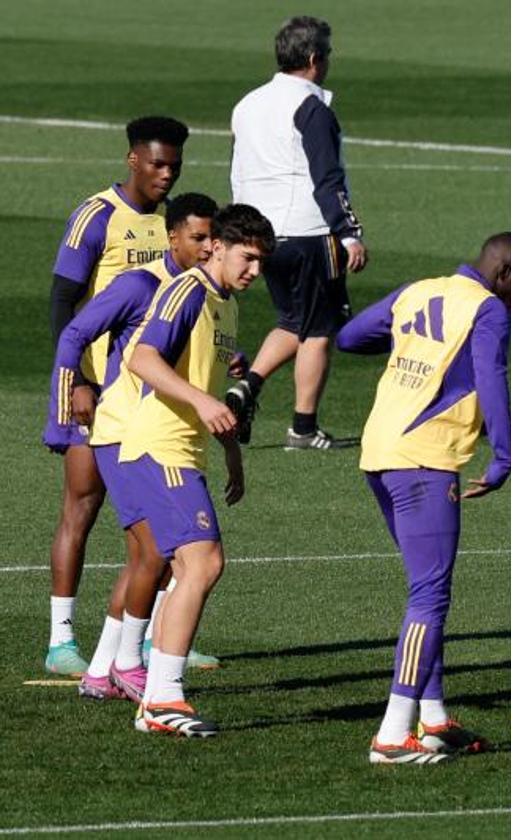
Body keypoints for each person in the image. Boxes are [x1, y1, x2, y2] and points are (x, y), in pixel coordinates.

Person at [337, 233, 511, 765]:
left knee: (424, 593)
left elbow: (350, 337)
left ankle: (432, 720)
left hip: (378, 452)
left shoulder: (417, 291)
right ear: (505, 272)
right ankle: (392, 733)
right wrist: (504, 457)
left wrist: (412, 349)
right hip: (425, 460)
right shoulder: (488, 309)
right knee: (430, 597)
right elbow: (492, 379)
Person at [47, 194, 221, 700]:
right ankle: (120, 662)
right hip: (126, 430)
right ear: (172, 238)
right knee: (155, 553)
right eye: (199, 239)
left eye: (214, 239)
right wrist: (71, 396)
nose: (209, 248)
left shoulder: (203, 294)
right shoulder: (144, 284)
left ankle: (106, 668)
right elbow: (74, 331)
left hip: (152, 431)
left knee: (154, 556)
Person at [120, 204, 275, 737]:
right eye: (247, 258)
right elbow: (141, 359)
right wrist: (202, 405)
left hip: (185, 452)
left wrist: (230, 450)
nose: (254, 270)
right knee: (204, 563)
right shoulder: (188, 291)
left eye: (261, 262)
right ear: (218, 247)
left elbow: (206, 390)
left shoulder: (225, 306)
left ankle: (155, 697)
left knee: (188, 569)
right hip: (158, 448)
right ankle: (162, 696)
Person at [44, 116, 189, 676]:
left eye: (174, 165)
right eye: (157, 163)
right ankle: (61, 640)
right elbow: (62, 300)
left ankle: (153, 639)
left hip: (153, 391)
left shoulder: (179, 225)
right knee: (83, 504)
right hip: (95, 385)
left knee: (161, 517)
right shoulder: (97, 216)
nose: (165, 174)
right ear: (133, 159)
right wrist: (76, 379)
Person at [227, 15, 367, 450]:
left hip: (259, 234)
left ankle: (245, 387)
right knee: (319, 329)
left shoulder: (247, 103)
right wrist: (349, 232)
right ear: (313, 58)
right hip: (307, 231)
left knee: (293, 319)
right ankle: (303, 429)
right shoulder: (312, 108)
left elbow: (239, 167)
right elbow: (328, 178)